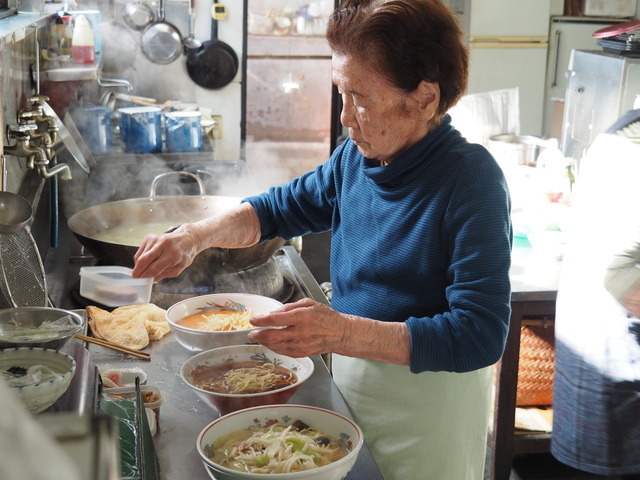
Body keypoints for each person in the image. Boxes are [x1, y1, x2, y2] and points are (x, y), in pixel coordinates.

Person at [132, 0, 512, 477]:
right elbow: (275, 210)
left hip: (429, 413)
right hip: (352, 389)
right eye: (341, 92)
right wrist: (195, 236)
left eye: (360, 98)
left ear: (424, 99)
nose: (346, 118)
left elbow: (481, 334)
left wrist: (341, 331)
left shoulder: (470, 179)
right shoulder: (357, 158)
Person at [551, 109, 640, 478]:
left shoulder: (627, 127)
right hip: (613, 365)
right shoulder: (632, 148)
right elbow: (621, 277)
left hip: (595, 348)